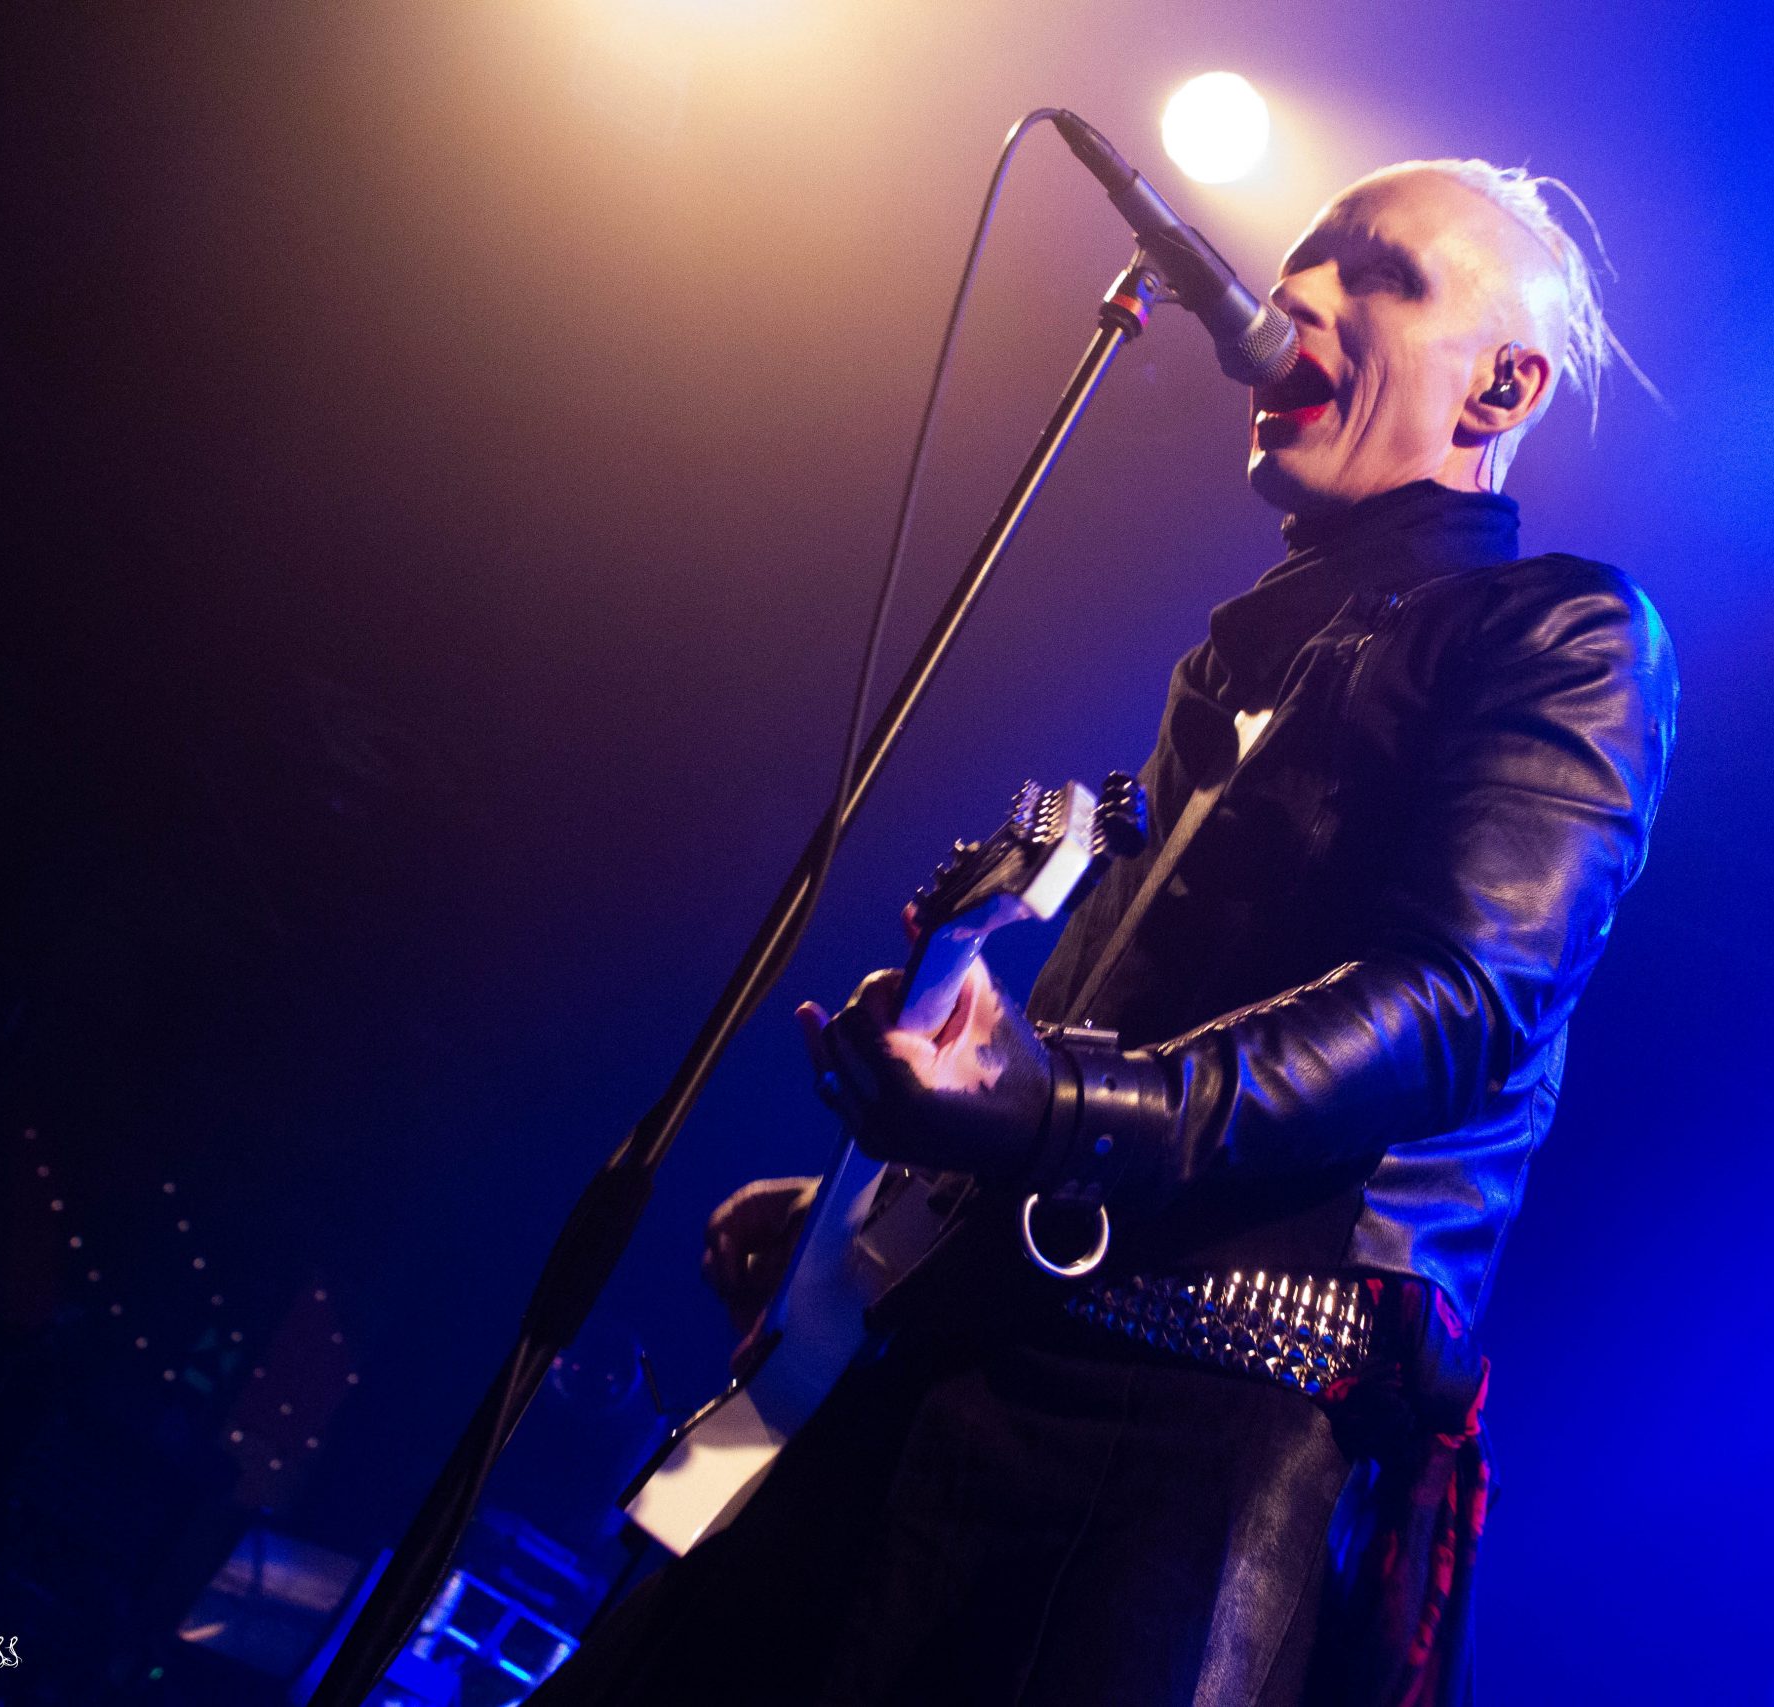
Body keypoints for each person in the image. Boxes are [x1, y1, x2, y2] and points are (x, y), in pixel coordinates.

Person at [542, 157, 1677, 1707]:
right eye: (1299, 264)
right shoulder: (1233, 665)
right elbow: (1108, 1041)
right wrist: (890, 1196)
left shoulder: (1565, 634)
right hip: (964, 1349)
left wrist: (1050, 1106)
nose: (1295, 297)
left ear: (1502, 387)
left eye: (1377, 275)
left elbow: (1456, 1003)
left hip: (1199, 1428)